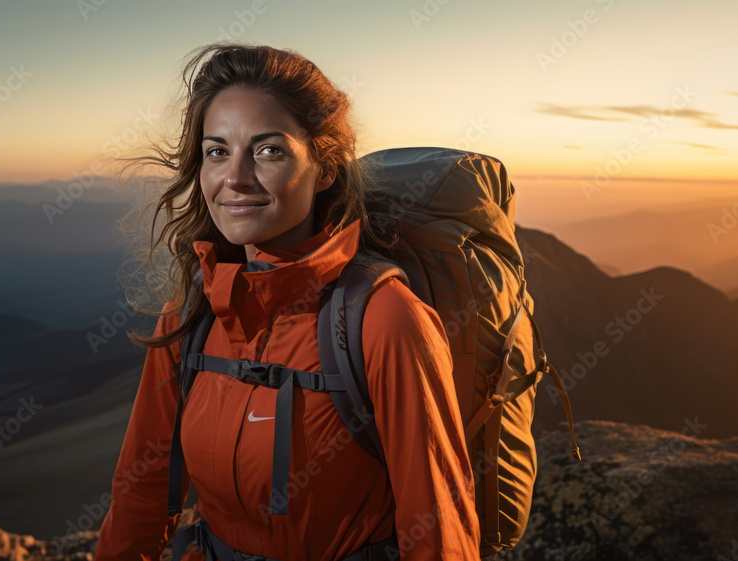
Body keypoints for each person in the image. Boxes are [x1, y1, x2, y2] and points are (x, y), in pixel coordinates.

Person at [94, 42, 480, 561]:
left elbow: (437, 530)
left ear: (323, 169)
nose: (235, 177)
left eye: (268, 150)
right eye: (217, 151)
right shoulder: (194, 312)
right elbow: (140, 492)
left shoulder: (383, 319)